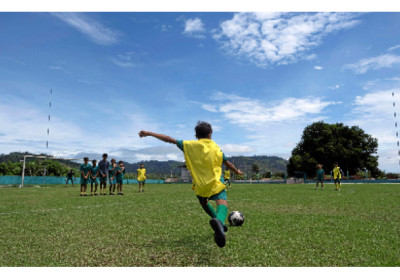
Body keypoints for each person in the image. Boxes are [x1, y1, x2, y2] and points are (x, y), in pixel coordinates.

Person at [139, 121, 243, 248]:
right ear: (210, 134)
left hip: (200, 185)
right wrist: (236, 171)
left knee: (204, 203)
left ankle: (219, 224)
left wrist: (149, 133)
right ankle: (220, 222)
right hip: (215, 183)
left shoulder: (188, 145)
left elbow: (168, 139)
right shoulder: (217, 148)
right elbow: (228, 164)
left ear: (196, 136)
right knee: (222, 203)